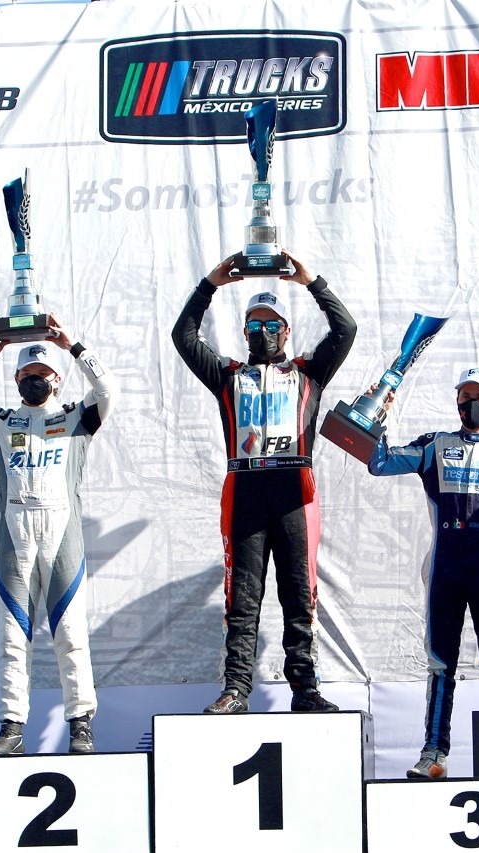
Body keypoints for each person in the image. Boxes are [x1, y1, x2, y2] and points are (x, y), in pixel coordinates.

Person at [171, 251, 356, 714]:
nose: (262, 331)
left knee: (299, 595)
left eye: (271, 324)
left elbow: (345, 330)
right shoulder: (228, 376)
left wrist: (311, 281)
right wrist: (210, 284)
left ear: (286, 331)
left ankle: (305, 690)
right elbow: (183, 336)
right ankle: (236, 689)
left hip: (296, 492)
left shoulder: (308, 373)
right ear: (245, 332)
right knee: (242, 597)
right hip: (246, 491)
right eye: (254, 324)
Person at [0, 312, 116, 755]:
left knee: (70, 635)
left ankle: (80, 723)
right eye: (26, 374)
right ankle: (12, 725)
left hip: (61, 536)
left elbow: (107, 390)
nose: (35, 380)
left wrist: (73, 346)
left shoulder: (76, 417)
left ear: (57, 379)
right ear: (16, 379)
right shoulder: (0, 421)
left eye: (42, 373)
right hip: (14, 538)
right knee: (12, 638)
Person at [367, 366, 479, 779]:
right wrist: (379, 414)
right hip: (444, 570)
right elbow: (379, 463)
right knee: (439, 664)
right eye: (465, 396)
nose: (471, 403)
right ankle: (434, 753)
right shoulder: (435, 445)